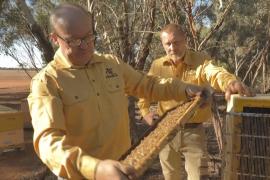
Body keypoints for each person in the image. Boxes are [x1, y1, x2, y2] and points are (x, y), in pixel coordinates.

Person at [27, 4, 208, 180]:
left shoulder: (111, 64)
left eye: (89, 37)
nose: (85, 46)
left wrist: (183, 88)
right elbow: (48, 142)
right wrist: (95, 169)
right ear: (55, 39)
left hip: (126, 168)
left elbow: (148, 84)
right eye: (74, 40)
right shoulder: (46, 82)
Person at [137, 23, 252, 180]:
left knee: (197, 176)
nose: (172, 48)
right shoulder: (157, 65)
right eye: (167, 44)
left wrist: (230, 82)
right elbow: (145, 89)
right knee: (170, 176)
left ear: (185, 40)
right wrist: (145, 113)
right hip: (165, 131)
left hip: (194, 131)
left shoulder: (201, 60)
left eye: (176, 42)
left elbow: (215, 73)